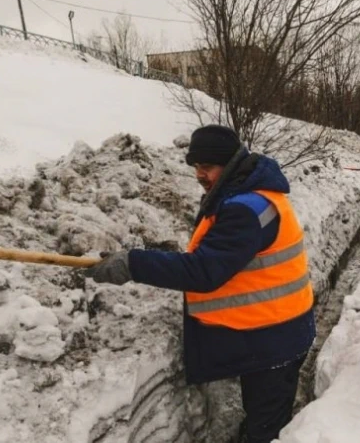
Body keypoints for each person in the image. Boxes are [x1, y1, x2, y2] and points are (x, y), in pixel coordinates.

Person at [84, 125, 316, 442]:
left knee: (266, 427)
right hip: (276, 328)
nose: (199, 174)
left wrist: (134, 264)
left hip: (275, 340)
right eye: (195, 167)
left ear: (229, 163)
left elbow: (205, 271)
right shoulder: (247, 195)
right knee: (263, 416)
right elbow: (218, 256)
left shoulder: (245, 211)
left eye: (206, 167)